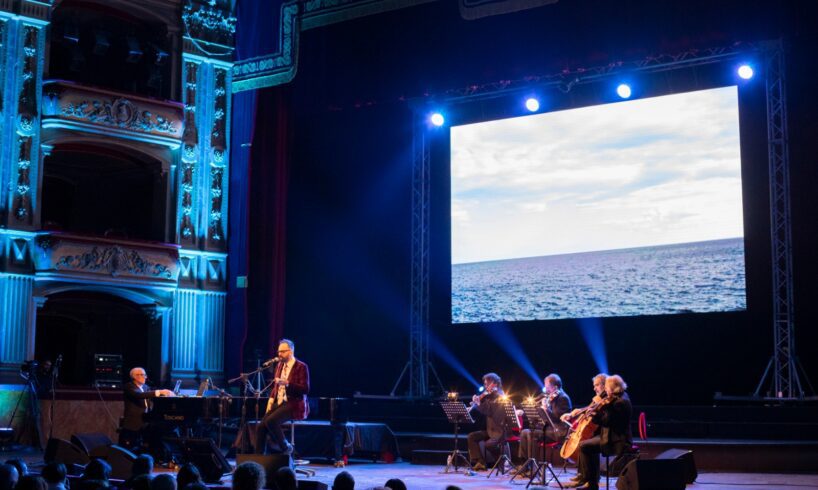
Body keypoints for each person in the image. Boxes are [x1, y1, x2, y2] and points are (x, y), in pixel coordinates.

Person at [568, 374, 632, 490]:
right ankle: (589, 480)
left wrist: (595, 414)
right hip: (611, 436)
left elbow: (606, 422)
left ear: (612, 388)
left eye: (607, 388)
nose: (605, 391)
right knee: (586, 444)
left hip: (617, 440)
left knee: (584, 446)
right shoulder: (621, 397)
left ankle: (589, 481)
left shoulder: (619, 403)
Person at [255, 339, 310, 455]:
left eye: (282, 351)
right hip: (280, 402)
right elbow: (276, 386)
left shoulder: (301, 366)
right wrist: (270, 400)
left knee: (271, 421)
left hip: (294, 403)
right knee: (261, 426)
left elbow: (305, 389)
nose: (279, 354)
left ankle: (286, 447)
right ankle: (259, 458)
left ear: (290, 351)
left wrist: (288, 383)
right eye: (278, 352)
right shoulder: (279, 365)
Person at [561, 373, 607, 486]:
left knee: (584, 444)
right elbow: (590, 408)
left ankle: (588, 478)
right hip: (597, 430)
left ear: (604, 385)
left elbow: (599, 415)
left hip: (603, 432)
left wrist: (586, 413)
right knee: (585, 442)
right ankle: (584, 475)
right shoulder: (599, 398)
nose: (594, 388)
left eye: (596, 385)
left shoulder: (606, 399)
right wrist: (576, 412)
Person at [516, 374, 572, 466]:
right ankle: (525, 464)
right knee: (524, 432)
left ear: (555, 387)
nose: (545, 389)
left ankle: (534, 467)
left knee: (531, 433)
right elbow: (534, 405)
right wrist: (523, 410)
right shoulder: (548, 396)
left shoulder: (563, 398)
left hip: (557, 432)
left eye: (547, 387)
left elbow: (557, 419)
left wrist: (546, 409)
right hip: (547, 429)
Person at [120, 367, 174, 451]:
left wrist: (166, 393)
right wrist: (160, 392)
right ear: (135, 376)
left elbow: (151, 394)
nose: (145, 377)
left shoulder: (145, 387)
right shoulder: (129, 387)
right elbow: (139, 395)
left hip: (146, 421)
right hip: (133, 423)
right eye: (143, 375)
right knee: (130, 449)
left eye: (145, 375)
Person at [466, 373, 508, 471]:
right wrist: (475, 404)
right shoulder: (488, 395)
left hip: (498, 430)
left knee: (488, 444)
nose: (485, 387)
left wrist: (479, 403)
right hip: (489, 430)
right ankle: (480, 462)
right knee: (472, 436)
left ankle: (501, 461)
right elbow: (483, 409)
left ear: (495, 384)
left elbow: (489, 411)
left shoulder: (500, 396)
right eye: (485, 384)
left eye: (487, 384)